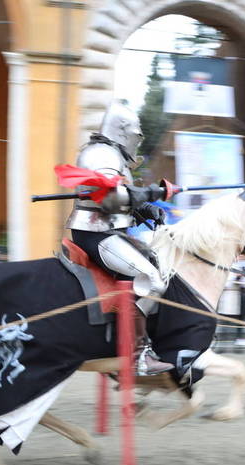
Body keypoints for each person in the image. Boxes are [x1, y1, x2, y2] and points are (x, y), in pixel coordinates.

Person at [63, 99, 172, 375]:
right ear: (123, 131)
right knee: (153, 281)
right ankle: (138, 355)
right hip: (96, 232)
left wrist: (145, 207)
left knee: (160, 264)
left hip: (112, 230)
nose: (138, 139)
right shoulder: (101, 154)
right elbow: (110, 200)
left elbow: (124, 199)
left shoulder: (115, 156)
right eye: (136, 133)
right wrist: (152, 194)